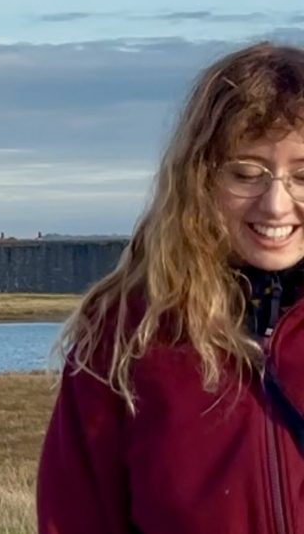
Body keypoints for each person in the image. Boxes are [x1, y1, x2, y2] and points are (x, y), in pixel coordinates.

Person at [37, 42, 304, 533]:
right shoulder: (125, 337)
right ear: (199, 178)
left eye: (303, 175)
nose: (275, 205)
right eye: (246, 173)